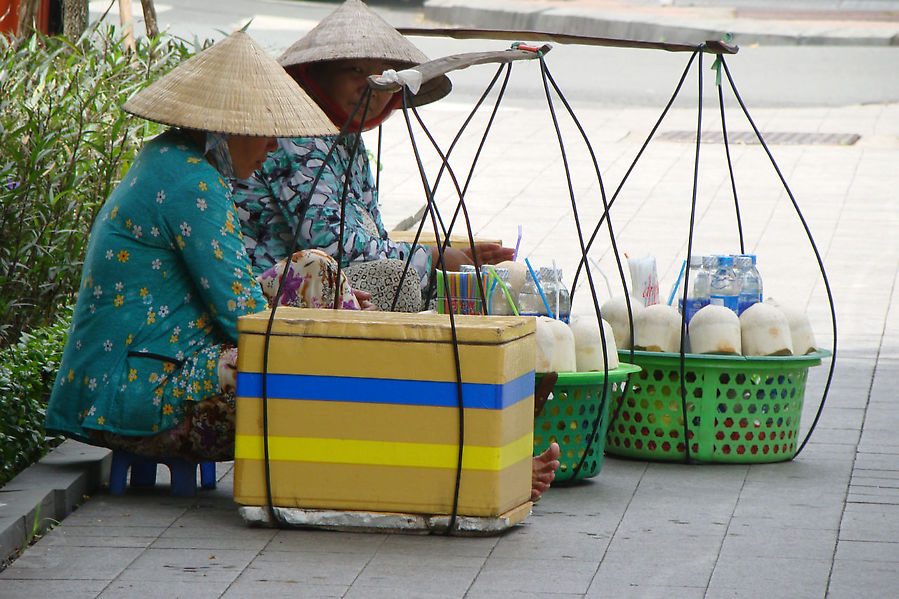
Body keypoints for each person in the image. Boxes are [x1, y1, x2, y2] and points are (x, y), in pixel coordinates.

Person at [43, 31, 369, 463]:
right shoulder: (192, 181)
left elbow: (240, 297)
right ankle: (354, 424)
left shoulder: (174, 158)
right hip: (132, 395)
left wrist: (332, 303)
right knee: (278, 368)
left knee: (316, 270)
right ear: (229, 128)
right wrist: (327, 332)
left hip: (147, 371)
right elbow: (243, 319)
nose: (273, 147)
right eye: (265, 132)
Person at [234, 0, 514, 313]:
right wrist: (433, 258)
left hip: (326, 289)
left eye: (384, 74)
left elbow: (371, 235)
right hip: (269, 299)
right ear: (315, 75)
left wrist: (444, 258)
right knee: (398, 277)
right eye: (355, 70)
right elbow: (334, 247)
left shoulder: (345, 137)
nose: (374, 86)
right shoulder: (293, 137)